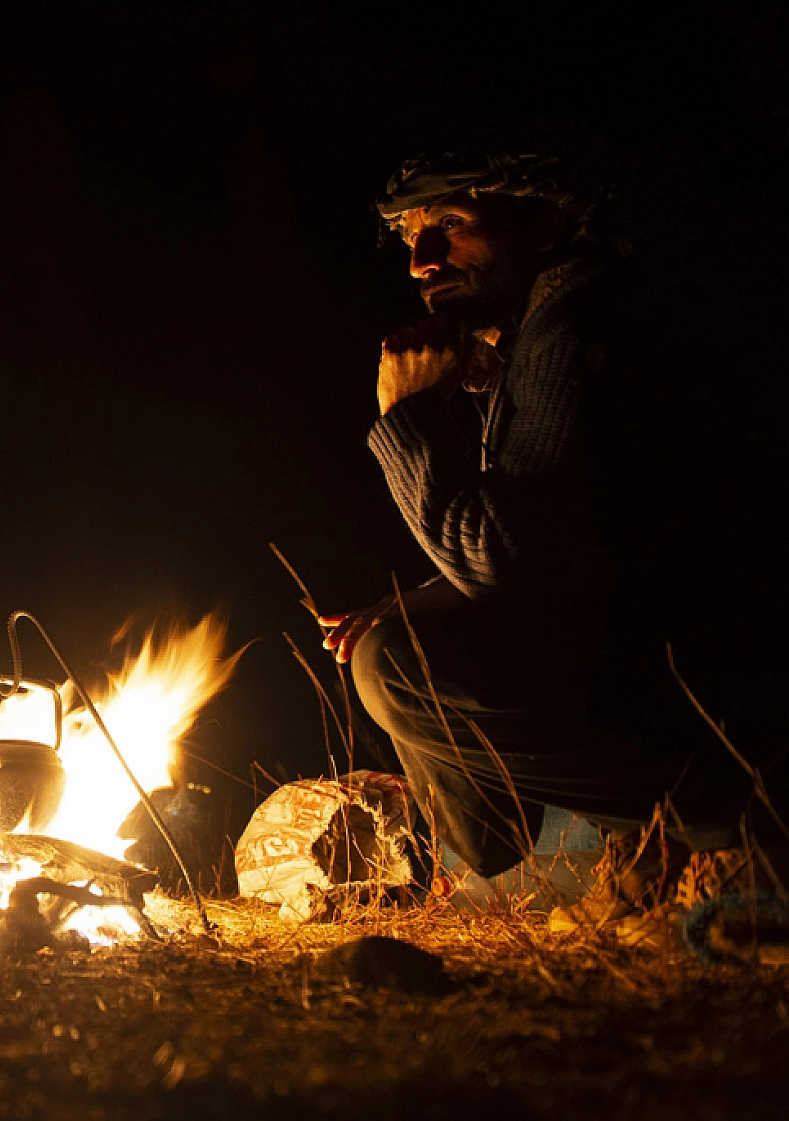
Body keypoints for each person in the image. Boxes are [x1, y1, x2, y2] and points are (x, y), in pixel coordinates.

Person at [319, 153, 777, 942]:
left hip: (725, 690)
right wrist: (406, 600)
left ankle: (721, 827)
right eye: (414, 241)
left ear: (541, 224)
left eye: (453, 228)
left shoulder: (572, 332)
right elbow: (543, 552)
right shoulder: (546, 327)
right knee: (394, 631)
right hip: (668, 656)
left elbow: (512, 564)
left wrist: (406, 422)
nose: (424, 260)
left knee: (394, 660)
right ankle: (648, 848)